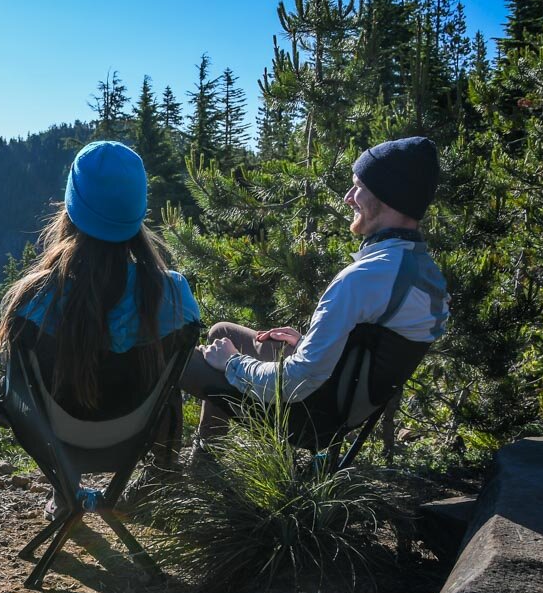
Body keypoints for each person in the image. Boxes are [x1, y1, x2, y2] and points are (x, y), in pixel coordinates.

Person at [181, 136, 449, 453]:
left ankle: (160, 474)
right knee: (222, 332)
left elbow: (295, 382)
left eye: (358, 186)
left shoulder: (363, 279)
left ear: (388, 195)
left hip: (307, 419)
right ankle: (207, 462)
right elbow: (368, 351)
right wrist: (308, 345)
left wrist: (232, 364)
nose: (349, 198)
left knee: (175, 358)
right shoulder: (425, 275)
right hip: (339, 407)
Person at [0, 140, 201, 515]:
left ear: (70, 209)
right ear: (137, 211)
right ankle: (157, 487)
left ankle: (65, 492)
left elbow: (23, 392)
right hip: (135, 442)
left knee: (2, 391)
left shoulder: (33, 298)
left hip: (58, 441)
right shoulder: (174, 295)